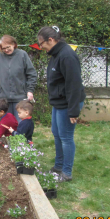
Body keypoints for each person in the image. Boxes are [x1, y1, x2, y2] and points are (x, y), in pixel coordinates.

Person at [37, 26, 86, 182]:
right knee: (57, 134)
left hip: (68, 104)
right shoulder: (56, 54)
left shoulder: (67, 56)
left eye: (41, 43)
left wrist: (73, 111)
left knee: (66, 137)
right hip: (59, 103)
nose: (40, 47)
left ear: (51, 40)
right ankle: (58, 167)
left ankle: (66, 173)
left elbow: (74, 84)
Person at [0, 35, 37, 123]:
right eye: (3, 48)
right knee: (7, 125)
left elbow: (32, 74)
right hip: (3, 99)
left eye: (8, 47)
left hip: (20, 97)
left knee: (20, 124)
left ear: (14, 44)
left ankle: (21, 137)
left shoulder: (22, 55)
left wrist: (30, 90)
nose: (6, 50)